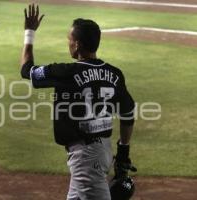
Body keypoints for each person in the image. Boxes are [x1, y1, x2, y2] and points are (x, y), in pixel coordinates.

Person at [20, 4, 136, 200]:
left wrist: (29, 32)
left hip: (86, 157)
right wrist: (123, 151)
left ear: (78, 45)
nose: (69, 43)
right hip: (103, 150)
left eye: (70, 40)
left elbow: (26, 70)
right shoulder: (115, 74)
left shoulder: (66, 72)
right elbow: (128, 113)